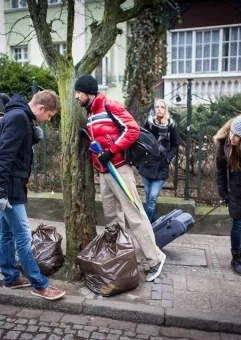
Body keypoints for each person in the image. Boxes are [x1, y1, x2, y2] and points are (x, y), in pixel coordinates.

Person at [75, 75, 167, 282]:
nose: (76, 96)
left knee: (134, 215)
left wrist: (112, 150)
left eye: (78, 92)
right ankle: (122, 260)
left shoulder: (110, 106)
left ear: (87, 91)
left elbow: (132, 129)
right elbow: (104, 136)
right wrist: (88, 138)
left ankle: (155, 259)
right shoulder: (90, 114)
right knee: (112, 220)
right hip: (105, 172)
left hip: (119, 170)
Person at [0, 90, 66, 300]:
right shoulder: (19, 117)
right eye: (49, 115)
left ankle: (10, 277)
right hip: (9, 187)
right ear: (41, 108)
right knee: (23, 237)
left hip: (12, 184)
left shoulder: (20, 116)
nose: (47, 120)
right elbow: (4, 155)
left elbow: (14, 149)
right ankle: (40, 285)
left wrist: (30, 140)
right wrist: (1, 190)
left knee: (6, 234)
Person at [138, 99, 179, 223]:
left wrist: (167, 157)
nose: (159, 109)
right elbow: (141, 139)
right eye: (157, 107)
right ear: (154, 109)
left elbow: (175, 145)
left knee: (152, 198)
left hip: (161, 166)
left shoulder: (171, 125)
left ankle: (146, 227)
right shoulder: (148, 123)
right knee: (149, 198)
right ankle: (154, 225)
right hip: (147, 164)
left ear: (166, 109)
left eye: (162, 107)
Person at [214, 115, 241, 275]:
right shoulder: (224, 144)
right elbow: (220, 171)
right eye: (232, 132)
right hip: (234, 191)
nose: (233, 137)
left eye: (237, 135)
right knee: (238, 224)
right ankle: (236, 258)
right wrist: (223, 193)